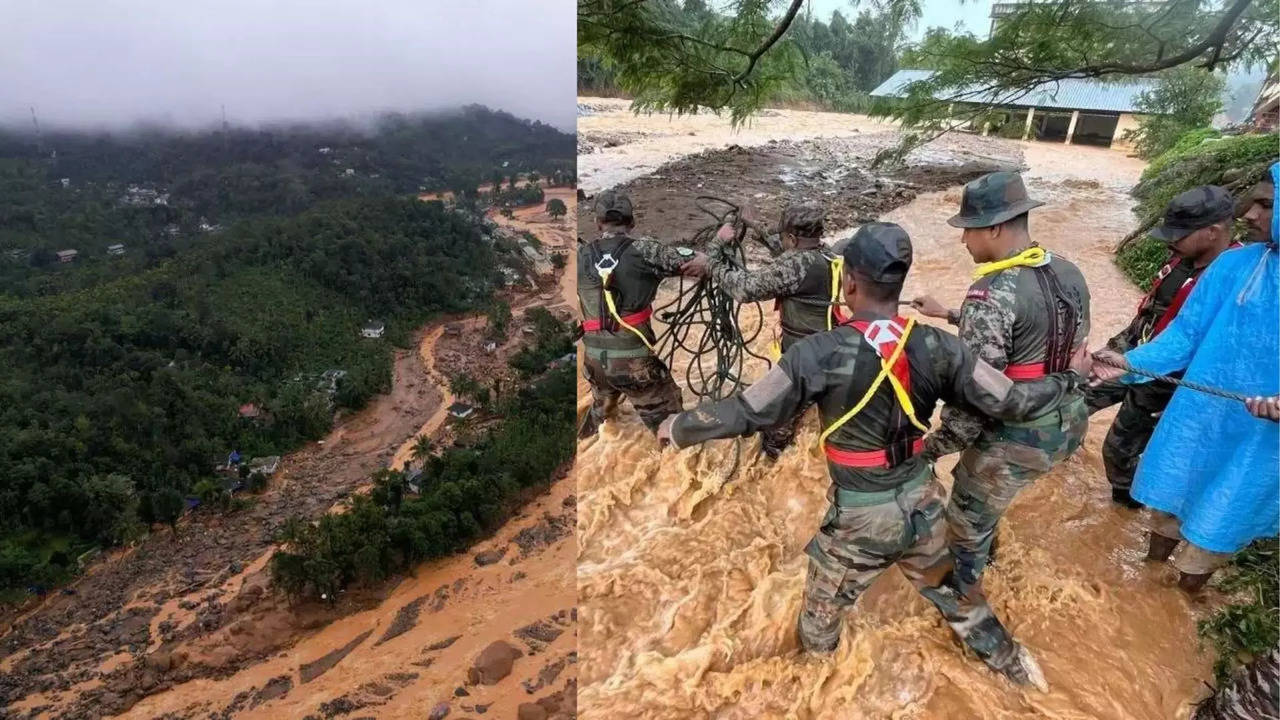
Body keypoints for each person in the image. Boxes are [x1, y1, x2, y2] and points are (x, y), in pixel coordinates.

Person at [657, 222, 1093, 689]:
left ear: (848, 283)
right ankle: (1022, 675)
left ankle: (815, 691)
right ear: (900, 283)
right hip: (923, 504)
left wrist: (679, 426)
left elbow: (750, 411)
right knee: (962, 604)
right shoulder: (941, 347)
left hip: (861, 520)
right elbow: (1011, 401)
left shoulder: (815, 353)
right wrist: (1069, 377)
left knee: (819, 627)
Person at [1092, 164, 1279, 593]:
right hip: (1198, 415)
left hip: (1261, 436)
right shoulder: (1234, 264)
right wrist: (1130, 361)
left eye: (1266, 205)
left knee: (1222, 516)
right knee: (1170, 498)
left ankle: (1183, 596)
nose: (1250, 214)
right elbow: (1184, 335)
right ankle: (1148, 584)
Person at [911, 170, 1091, 601]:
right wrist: (951, 315)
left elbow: (977, 402)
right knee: (992, 503)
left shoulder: (989, 294)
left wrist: (930, 450)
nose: (963, 241)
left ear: (993, 227)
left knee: (963, 525)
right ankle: (990, 546)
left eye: (968, 231)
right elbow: (1048, 341)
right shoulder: (1068, 271)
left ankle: (965, 601)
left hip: (1018, 435)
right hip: (1068, 423)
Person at [1085, 186, 1240, 509]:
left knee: (1118, 449)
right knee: (1073, 397)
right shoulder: (1183, 258)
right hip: (1131, 349)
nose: (1171, 240)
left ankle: (1127, 503)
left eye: (1179, 234)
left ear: (1212, 232)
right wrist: (1118, 348)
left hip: (1166, 380)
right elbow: (1151, 311)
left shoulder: (1236, 279)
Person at [708, 202, 848, 459]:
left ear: (793, 238)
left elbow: (746, 289)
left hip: (803, 361)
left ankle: (770, 465)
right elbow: (785, 254)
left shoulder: (794, 266)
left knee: (775, 425)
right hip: (830, 350)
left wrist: (714, 254)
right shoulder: (825, 255)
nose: (781, 241)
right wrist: (755, 227)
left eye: (784, 236)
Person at [577, 190, 708, 438]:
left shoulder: (579, 255)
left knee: (599, 420)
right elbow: (700, 262)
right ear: (632, 222)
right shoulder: (645, 250)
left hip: (595, 363)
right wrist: (720, 242)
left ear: (597, 224)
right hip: (634, 363)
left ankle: (586, 441)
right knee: (672, 432)